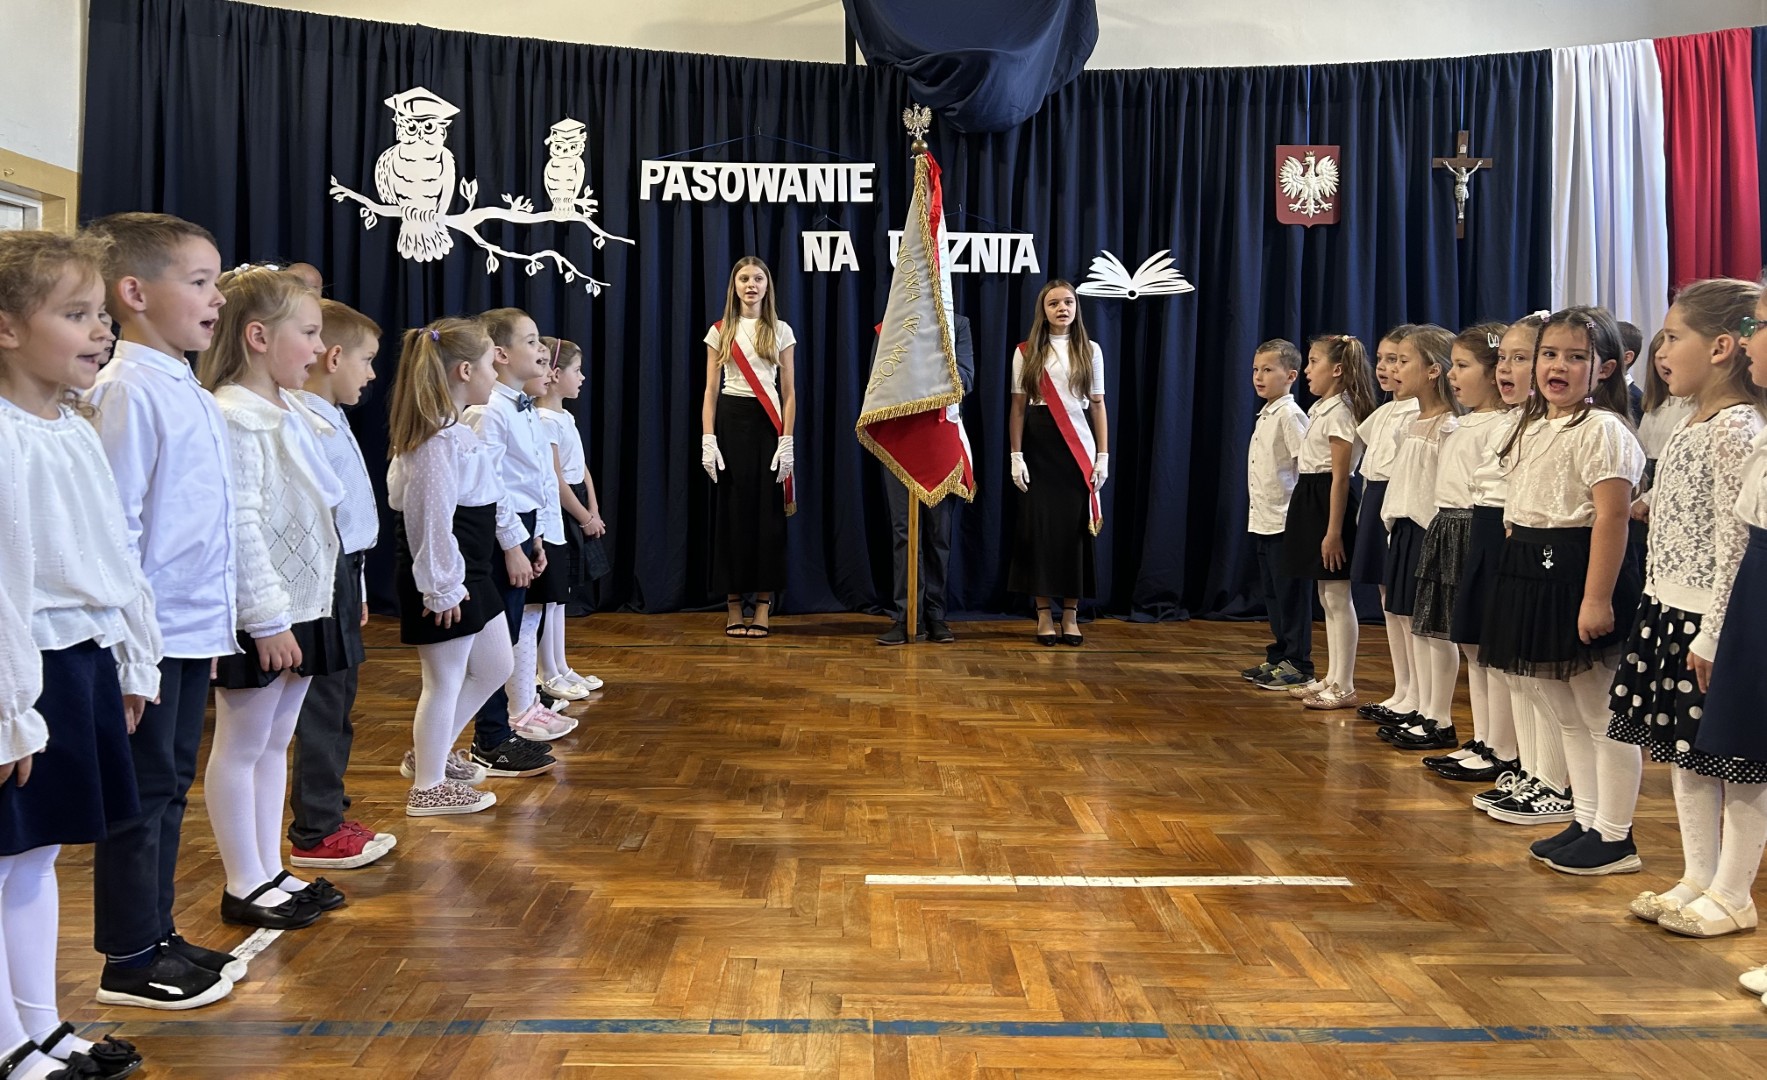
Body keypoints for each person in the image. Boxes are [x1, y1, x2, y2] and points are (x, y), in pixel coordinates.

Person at [0, 229, 156, 1078]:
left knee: (38, 855)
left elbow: (112, 555)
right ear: (6, 328)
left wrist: (131, 657)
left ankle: (41, 1026)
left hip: (74, 661)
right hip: (17, 672)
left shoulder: (70, 427)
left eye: (102, 314)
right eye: (75, 314)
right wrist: (10, 712)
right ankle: (8, 1046)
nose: (102, 331)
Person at [84, 212, 243, 1009]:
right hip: (145, 641)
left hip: (186, 630)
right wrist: (129, 655)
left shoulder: (186, 388)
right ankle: (128, 956)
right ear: (135, 292)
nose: (218, 298)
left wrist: (211, 627)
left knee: (170, 784)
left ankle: (158, 931)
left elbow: (201, 526)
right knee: (142, 794)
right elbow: (117, 531)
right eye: (201, 282)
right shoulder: (125, 389)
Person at [1604, 279, 1766, 935]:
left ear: (1721, 347)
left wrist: (1712, 634)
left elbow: (1737, 540)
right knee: (1684, 753)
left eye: (1672, 338)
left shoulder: (1737, 428)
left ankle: (1733, 893)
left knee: (1735, 762)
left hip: (1710, 617)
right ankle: (1697, 877)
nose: (1661, 351)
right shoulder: (1689, 420)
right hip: (1668, 607)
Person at [199, 265, 347, 931]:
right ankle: (243, 881)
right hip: (267, 610)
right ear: (258, 337)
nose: (319, 348)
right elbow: (241, 524)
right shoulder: (235, 416)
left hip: (302, 603)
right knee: (242, 743)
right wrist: (265, 617)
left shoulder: (289, 409)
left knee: (274, 742)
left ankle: (270, 870)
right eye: (308, 333)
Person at [1482, 306, 1645, 876]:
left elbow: (1612, 517)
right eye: (1549, 354)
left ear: (1604, 369)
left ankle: (1616, 835)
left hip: (1578, 570)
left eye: (1577, 357)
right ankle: (1588, 817)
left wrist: (1595, 599)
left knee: (1600, 711)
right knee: (1565, 712)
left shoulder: (1602, 429)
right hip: (1531, 567)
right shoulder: (1532, 424)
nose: (1559, 366)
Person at [389, 318, 524, 812]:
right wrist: (441, 586)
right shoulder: (435, 441)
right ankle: (427, 786)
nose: (496, 373)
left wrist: (510, 540)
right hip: (445, 573)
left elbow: (487, 495)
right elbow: (429, 520)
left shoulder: (456, 432)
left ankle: (432, 751)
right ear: (466, 370)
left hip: (470, 569)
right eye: (491, 364)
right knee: (443, 679)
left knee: (496, 664)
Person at [286, 299, 396, 872]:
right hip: (322, 577)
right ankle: (315, 829)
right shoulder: (303, 421)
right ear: (333, 357)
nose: (372, 374)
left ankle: (328, 812)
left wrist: (360, 587)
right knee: (323, 705)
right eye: (367, 360)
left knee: (340, 700)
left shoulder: (329, 415)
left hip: (345, 573)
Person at [1472, 315, 1575, 826]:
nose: (1507, 369)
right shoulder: (1523, 423)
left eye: (1521, 357)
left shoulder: (1573, 426)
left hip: (1551, 555)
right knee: (1518, 673)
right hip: (1515, 546)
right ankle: (1534, 772)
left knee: (1543, 675)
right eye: (1503, 358)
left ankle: (1556, 782)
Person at [462, 308, 570, 767]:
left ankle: (498, 731)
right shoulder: (489, 411)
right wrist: (512, 544)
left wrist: (536, 538)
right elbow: (491, 485)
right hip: (497, 535)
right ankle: (489, 739)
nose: (541, 349)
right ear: (501, 354)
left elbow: (536, 479)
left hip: (522, 529)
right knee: (494, 645)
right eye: (530, 341)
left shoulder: (521, 406)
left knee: (506, 640)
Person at [1416, 324, 1519, 781]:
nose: (1452, 375)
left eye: (1462, 366)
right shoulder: (1465, 422)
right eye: (1452, 365)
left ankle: (1503, 746)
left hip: (1479, 527)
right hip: (1455, 527)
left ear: (1493, 371)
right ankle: (1484, 737)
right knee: (1471, 644)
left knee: (1487, 647)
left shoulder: (1503, 424)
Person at [1373, 325, 1464, 749]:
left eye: (1403, 361)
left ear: (1432, 370)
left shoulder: (1450, 425)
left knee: (1432, 628)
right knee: (1410, 622)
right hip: (1404, 528)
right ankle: (1421, 707)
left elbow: (1444, 489)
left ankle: (1438, 716)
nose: (1394, 369)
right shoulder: (1411, 421)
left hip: (1431, 530)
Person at [701, 257, 797, 638]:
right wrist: (708, 437)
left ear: (767, 285)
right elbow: (710, 390)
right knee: (732, 513)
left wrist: (787, 439)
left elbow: (788, 393)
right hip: (730, 421)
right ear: (735, 285)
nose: (751, 285)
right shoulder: (720, 331)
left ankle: (762, 605)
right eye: (744, 278)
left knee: (767, 515)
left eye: (758, 278)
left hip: (767, 423)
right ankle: (732, 604)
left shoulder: (781, 331)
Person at [1008, 281, 1108, 646]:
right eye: (1054, 303)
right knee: (1040, 531)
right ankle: (1042, 614)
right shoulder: (1026, 351)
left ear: (1076, 307)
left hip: (1076, 449)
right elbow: (1018, 406)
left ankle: (1070, 614)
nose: (1062, 308)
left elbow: (1097, 404)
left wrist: (1102, 456)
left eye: (1068, 302)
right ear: (1043, 310)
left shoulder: (1090, 350)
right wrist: (1016, 455)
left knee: (1073, 533)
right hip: (1039, 446)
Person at [1281, 334, 1377, 709]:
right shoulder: (1323, 407)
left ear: (1337, 369)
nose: (1307, 370)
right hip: (1311, 496)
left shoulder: (1341, 411)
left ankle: (1345, 684)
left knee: (1337, 596)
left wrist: (1333, 531)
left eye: (1313, 362)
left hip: (1328, 502)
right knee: (1326, 597)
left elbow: (1340, 477)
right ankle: (1332, 676)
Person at [879, 313, 974, 646]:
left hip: (939, 438)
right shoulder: (891, 324)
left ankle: (935, 614)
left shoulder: (957, 325)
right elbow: (878, 383)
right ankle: (906, 615)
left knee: (937, 532)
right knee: (904, 532)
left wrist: (924, 366)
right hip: (900, 440)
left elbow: (966, 378)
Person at [1352, 327, 1423, 720]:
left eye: (1396, 360)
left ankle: (1417, 693)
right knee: (1388, 600)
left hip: (1398, 502)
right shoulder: (1383, 412)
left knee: (1404, 601)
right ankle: (1402, 687)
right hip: (1376, 500)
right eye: (1381, 359)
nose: (1385, 368)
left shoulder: (1415, 411)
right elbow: (1368, 470)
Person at [535, 337, 607, 698]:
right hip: (561, 509)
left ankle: (561, 666)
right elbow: (556, 477)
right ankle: (546, 671)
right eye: (576, 370)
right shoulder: (544, 419)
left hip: (577, 503)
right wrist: (583, 517)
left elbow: (581, 468)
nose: (582, 377)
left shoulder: (564, 416)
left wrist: (593, 507)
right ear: (554, 374)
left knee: (561, 594)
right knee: (551, 594)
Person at [1241, 339, 1313, 689]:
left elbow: (1305, 466)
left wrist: (1300, 518)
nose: (1259, 376)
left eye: (1268, 370)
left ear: (1291, 375)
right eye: (1256, 369)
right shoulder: (1267, 414)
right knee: (1272, 594)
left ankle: (1298, 662)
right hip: (1265, 520)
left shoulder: (1290, 415)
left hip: (1286, 523)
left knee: (1291, 596)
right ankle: (1279, 655)